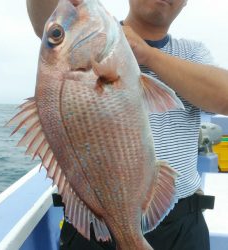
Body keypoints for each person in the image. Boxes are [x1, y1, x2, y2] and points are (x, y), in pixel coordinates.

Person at [26, 0, 228, 249]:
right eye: (57, 34)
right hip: (92, 228)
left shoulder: (193, 54)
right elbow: (50, 17)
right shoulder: (76, 38)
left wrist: (147, 54)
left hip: (181, 225)